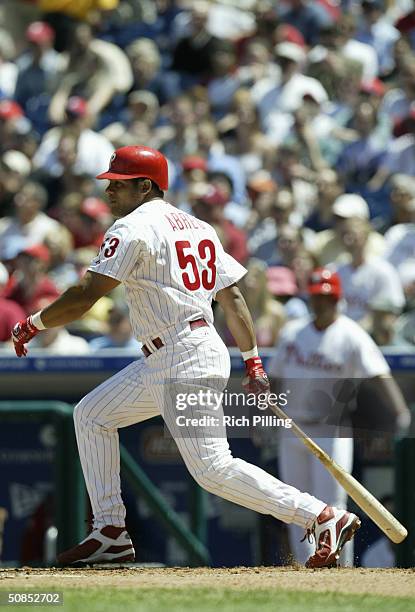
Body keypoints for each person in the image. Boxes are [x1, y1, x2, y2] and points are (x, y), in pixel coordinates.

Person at [12, 145, 361, 568]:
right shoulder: (199, 227)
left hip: (180, 354)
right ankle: (110, 531)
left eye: (118, 184)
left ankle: (320, 515)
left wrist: (33, 323)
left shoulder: (132, 227)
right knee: (91, 414)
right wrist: (251, 362)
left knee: (212, 469)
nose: (109, 193)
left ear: (145, 186)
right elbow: (232, 297)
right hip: (180, 350)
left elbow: (86, 295)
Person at [268, 267, 410, 564]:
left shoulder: (351, 334)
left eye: (327, 298)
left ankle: (340, 568)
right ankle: (305, 569)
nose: (322, 303)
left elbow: (379, 374)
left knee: (332, 502)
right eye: (318, 297)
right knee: (293, 505)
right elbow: (275, 377)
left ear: (337, 299)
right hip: (292, 428)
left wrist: (400, 412)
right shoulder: (293, 332)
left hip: (330, 430)